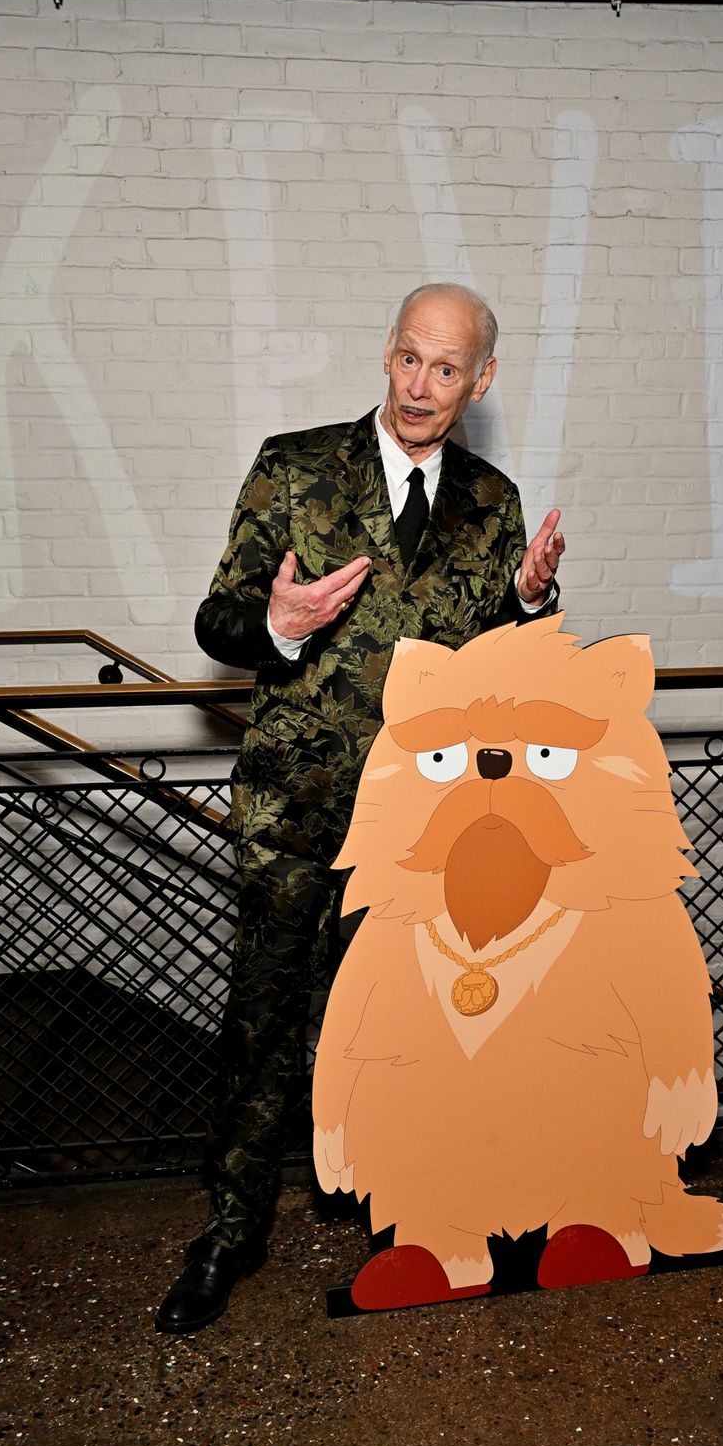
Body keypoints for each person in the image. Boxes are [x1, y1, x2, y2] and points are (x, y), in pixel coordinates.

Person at [156, 282, 565, 1333]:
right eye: (409, 358)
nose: (421, 386)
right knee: (263, 1026)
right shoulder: (294, 466)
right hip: (293, 812)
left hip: (421, 830)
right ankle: (232, 1232)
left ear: (481, 380)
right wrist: (277, 626)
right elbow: (216, 619)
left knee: (401, 1029)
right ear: (387, 354)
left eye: (446, 368)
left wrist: (527, 604)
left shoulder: (493, 501)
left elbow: (492, 667)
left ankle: (401, 1216)